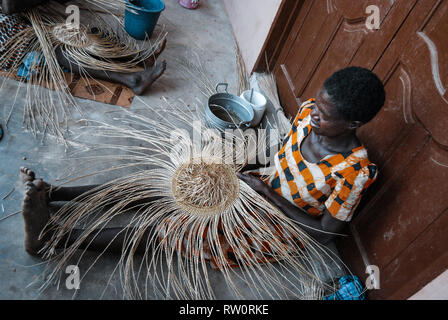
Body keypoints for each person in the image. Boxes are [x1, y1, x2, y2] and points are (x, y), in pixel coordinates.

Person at [19, 66, 385, 258]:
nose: (313, 115)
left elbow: (323, 235)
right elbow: (279, 154)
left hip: (277, 227)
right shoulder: (307, 113)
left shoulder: (354, 171)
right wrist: (240, 165)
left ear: (353, 124)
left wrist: (265, 194)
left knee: (174, 231)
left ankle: (53, 237)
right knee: (163, 186)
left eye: (325, 115)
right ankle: (55, 192)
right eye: (316, 105)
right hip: (253, 186)